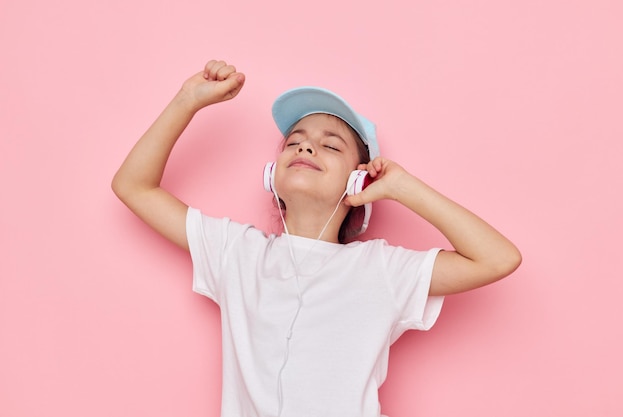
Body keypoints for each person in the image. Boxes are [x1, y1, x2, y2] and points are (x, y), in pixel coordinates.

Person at [112, 59, 521, 417]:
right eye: (295, 142)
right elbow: (134, 186)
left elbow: (497, 259)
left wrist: (404, 188)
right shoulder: (236, 253)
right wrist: (187, 101)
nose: (306, 147)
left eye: (329, 145)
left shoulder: (381, 269)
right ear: (273, 176)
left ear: (359, 179)